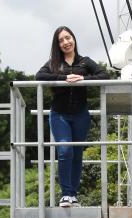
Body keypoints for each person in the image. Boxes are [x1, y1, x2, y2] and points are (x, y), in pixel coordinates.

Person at [36, 26, 108, 207]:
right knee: (65, 150)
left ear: (73, 39)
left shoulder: (85, 61)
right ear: (57, 45)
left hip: (81, 115)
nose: (65, 42)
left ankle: (73, 196)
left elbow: (104, 75)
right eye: (61, 40)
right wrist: (64, 78)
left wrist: (83, 79)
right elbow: (40, 76)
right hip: (59, 114)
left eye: (68, 38)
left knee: (76, 154)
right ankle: (65, 194)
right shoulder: (54, 63)